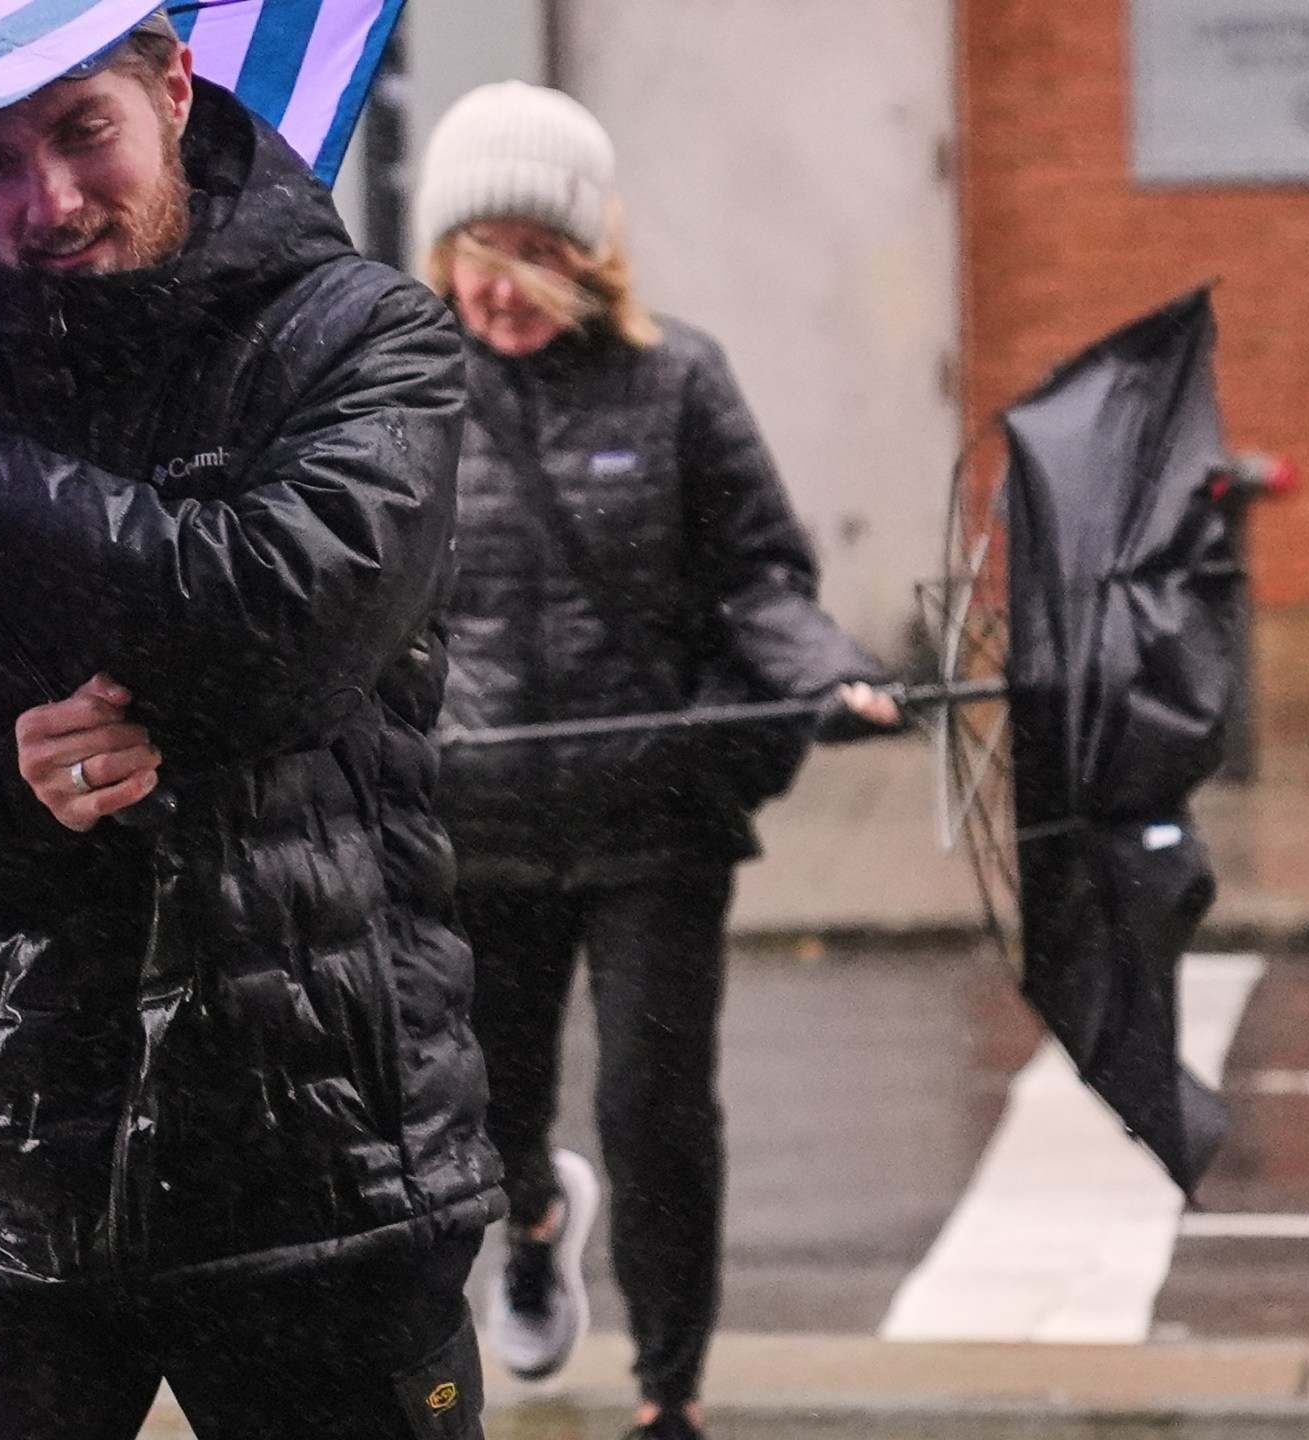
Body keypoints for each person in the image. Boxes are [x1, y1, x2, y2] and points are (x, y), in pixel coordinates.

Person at [0, 13, 496, 1438]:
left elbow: (278, 627)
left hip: (317, 1172)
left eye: (85, 131)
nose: (51, 201)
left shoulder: (362, 336)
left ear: (176, 91)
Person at [412, 82, 898, 1440]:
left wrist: (831, 673)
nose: (499, 286)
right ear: (438, 253)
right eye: (474, 251)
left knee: (655, 1110)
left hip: (653, 823)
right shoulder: (404, 396)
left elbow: (759, 579)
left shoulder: (676, 377)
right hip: (476, 821)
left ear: (589, 250)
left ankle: (667, 1392)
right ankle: (534, 1214)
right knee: (484, 1111)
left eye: (532, 250)